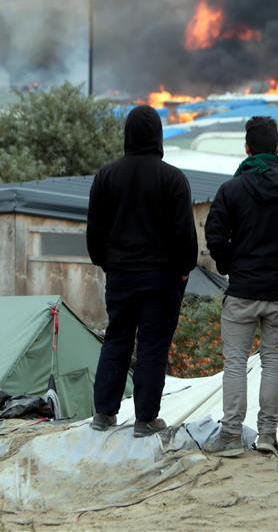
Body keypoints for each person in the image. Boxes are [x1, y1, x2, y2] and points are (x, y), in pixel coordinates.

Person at [86, 105, 198, 437]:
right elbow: (185, 234)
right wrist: (183, 269)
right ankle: (145, 419)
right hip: (161, 279)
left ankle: (104, 414)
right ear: (158, 136)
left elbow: (95, 231)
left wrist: (105, 261)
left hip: (120, 274)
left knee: (117, 339)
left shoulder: (106, 176)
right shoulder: (172, 178)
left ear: (127, 135)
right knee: (152, 346)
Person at [204, 116, 278, 455]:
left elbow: (214, 234)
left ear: (246, 149)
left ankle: (230, 436)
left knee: (235, 363)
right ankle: (267, 436)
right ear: (277, 148)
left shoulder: (232, 189)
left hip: (243, 290)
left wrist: (229, 264)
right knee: (273, 361)